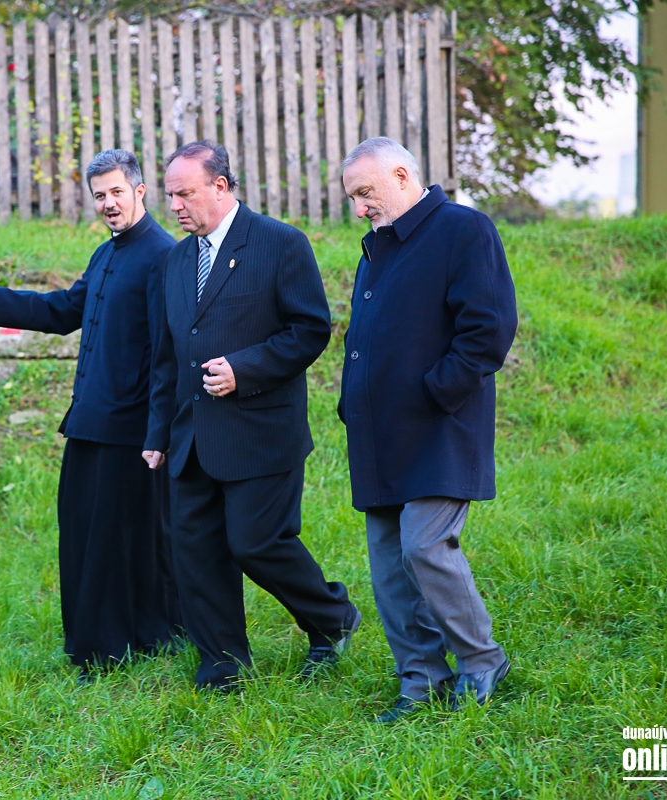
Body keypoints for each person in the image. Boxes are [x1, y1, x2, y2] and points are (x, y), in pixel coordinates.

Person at [0, 150, 181, 682]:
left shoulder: (162, 256)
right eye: (99, 195)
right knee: (82, 532)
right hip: (89, 422)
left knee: (117, 540)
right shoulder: (105, 254)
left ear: (140, 191)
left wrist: (158, 432)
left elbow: (167, 356)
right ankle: (116, 637)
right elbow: (65, 310)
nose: (108, 203)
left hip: (131, 431)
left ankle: (110, 648)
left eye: (117, 192)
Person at [143, 140, 360, 691]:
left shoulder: (281, 243)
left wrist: (244, 369)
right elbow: (167, 356)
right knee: (197, 553)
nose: (175, 206)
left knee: (256, 543)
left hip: (261, 432)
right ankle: (222, 666)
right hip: (190, 437)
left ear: (220, 186)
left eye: (185, 194)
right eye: (170, 196)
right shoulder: (175, 261)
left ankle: (331, 618)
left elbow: (309, 330)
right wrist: (157, 433)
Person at [338, 137, 519, 722]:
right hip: (378, 433)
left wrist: (435, 391)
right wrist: (352, 402)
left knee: (424, 545)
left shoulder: (463, 230)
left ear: (401, 175)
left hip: (440, 426)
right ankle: (421, 680)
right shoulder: (376, 249)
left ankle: (481, 660)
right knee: (389, 566)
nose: (359, 207)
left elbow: (488, 329)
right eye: (353, 197)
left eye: (365, 192)